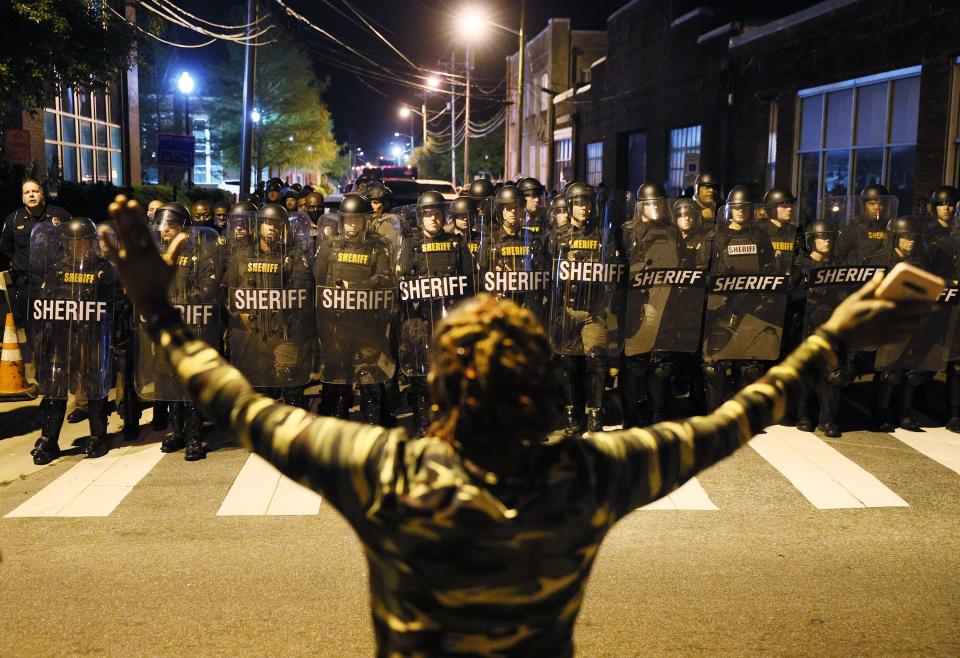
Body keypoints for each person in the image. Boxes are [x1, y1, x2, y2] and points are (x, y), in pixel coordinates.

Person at [102, 193, 928, 657]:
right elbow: (743, 413)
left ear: (437, 388)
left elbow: (238, 402)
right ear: (541, 390)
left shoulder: (383, 474)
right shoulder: (590, 477)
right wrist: (833, 339)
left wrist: (154, 309)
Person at [31, 217, 118, 464]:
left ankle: (98, 435)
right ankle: (49, 440)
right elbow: (46, 301)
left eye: (83, 242)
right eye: (74, 243)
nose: (78, 247)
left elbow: (115, 304)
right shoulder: (57, 269)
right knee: (56, 387)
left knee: (93, 384)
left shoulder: (104, 269)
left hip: (93, 336)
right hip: (62, 337)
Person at [0, 179, 71, 325]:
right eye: (27, 192)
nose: (31, 195)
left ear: (42, 194)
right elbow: (5, 247)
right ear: (23, 198)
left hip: (57, 284)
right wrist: (20, 262)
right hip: (27, 285)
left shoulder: (60, 216)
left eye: (35, 191)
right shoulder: (14, 219)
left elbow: (73, 243)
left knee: (58, 327)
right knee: (32, 329)